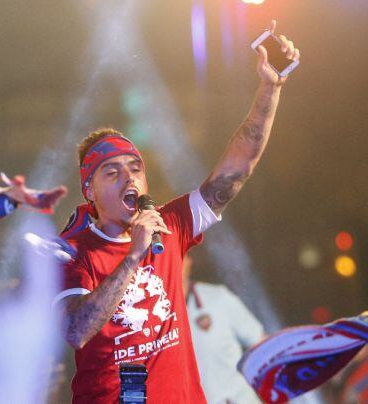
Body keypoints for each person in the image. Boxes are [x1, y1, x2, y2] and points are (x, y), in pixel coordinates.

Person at [55, 20, 300, 403]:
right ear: (90, 189)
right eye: (112, 172)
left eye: (135, 168)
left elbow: (234, 173)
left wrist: (269, 90)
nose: (128, 178)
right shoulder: (72, 250)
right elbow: (74, 330)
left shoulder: (169, 224)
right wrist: (134, 255)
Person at [183, 254, 264, 404]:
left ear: (189, 260)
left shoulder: (218, 297)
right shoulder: (153, 314)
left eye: (178, 256)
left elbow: (261, 343)